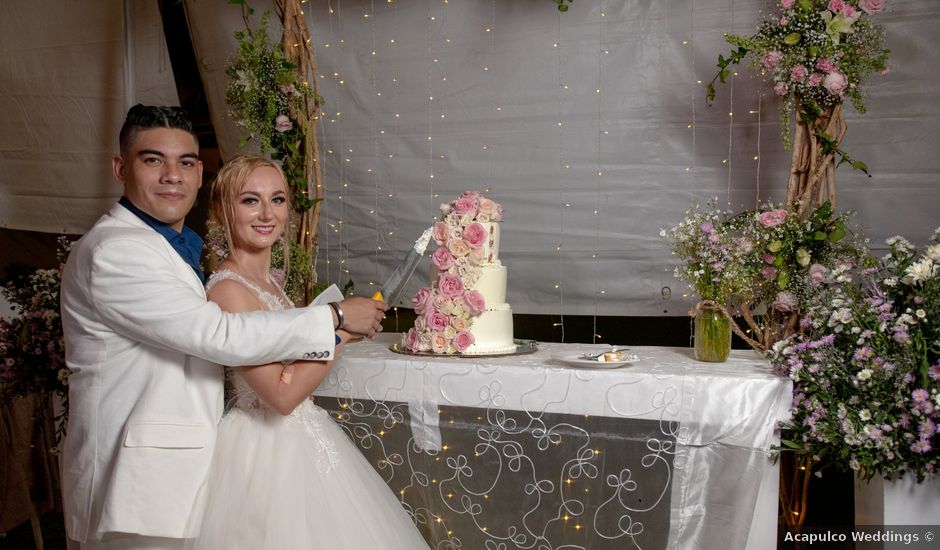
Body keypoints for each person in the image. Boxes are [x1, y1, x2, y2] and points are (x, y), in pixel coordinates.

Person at [60, 105, 387, 550]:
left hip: (186, 471)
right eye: (153, 160)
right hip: (136, 482)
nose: (173, 176)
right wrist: (337, 319)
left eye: (187, 163)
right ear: (120, 168)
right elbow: (220, 336)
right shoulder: (117, 252)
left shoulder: (170, 248)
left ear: (199, 175)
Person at [186, 154, 428, 549]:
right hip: (264, 453)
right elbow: (282, 395)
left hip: (305, 436)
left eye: (277, 200)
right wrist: (342, 332)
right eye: (250, 200)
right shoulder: (229, 290)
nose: (266, 213)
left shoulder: (270, 283)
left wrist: (335, 329)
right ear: (221, 209)